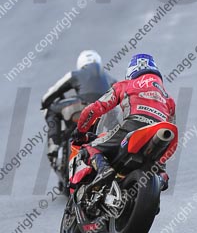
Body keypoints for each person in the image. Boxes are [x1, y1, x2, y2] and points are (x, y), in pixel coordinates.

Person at [72, 53, 176, 189]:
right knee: (159, 167)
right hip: (162, 131)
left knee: (90, 147)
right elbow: (172, 129)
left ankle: (104, 170)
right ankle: (162, 177)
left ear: (131, 71)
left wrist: (80, 132)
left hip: (133, 124)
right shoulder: (169, 99)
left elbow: (94, 109)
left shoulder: (126, 85)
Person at [40, 50, 116, 166]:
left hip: (80, 108)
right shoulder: (110, 78)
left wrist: (45, 104)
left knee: (51, 109)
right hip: (105, 111)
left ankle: (53, 146)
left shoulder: (74, 74)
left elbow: (50, 95)